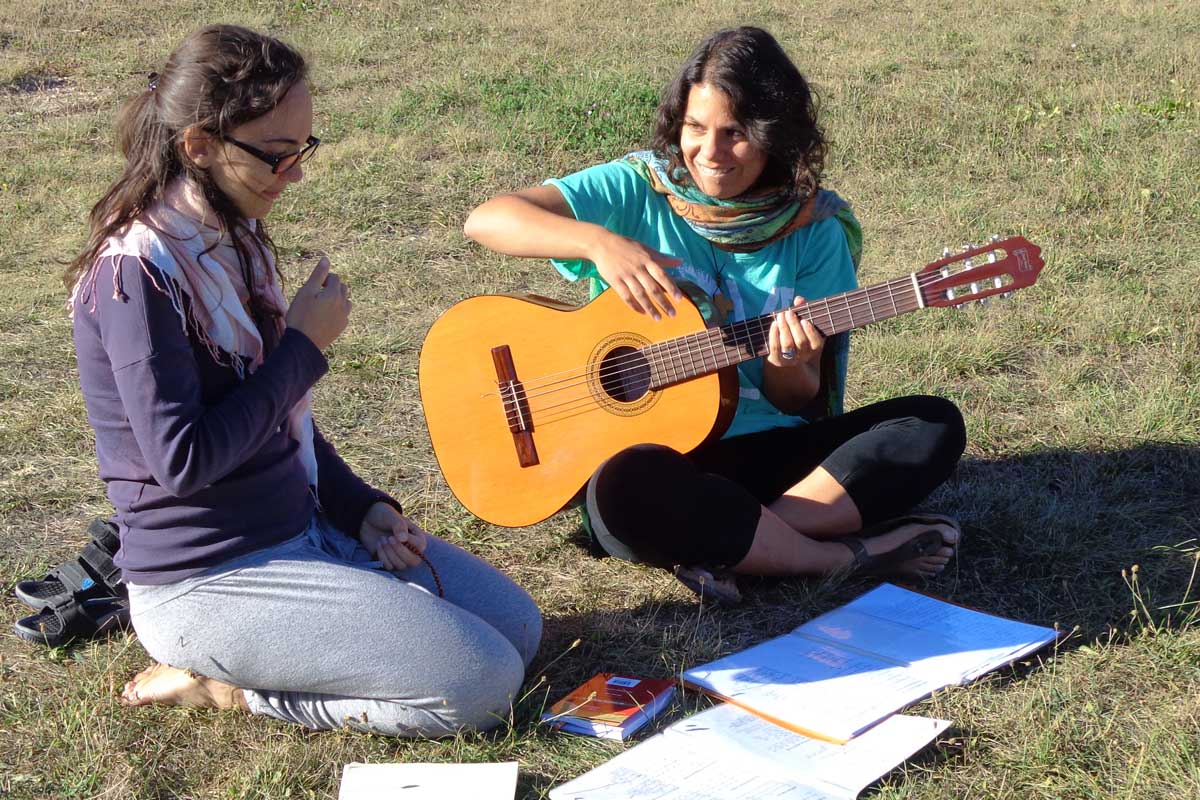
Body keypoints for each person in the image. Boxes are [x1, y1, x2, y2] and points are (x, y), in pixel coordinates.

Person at [66, 24, 541, 735]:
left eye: (302, 150)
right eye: (278, 156)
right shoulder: (137, 276)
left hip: (303, 529)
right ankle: (230, 688)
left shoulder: (230, 236)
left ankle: (314, 604)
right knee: (482, 686)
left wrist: (357, 507)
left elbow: (281, 415)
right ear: (199, 146)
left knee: (520, 629)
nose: (295, 175)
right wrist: (302, 347)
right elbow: (183, 461)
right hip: (207, 580)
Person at [463, 26, 967, 603]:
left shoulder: (814, 228)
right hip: (659, 460)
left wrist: (792, 362)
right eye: (696, 128)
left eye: (736, 135)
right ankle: (836, 555)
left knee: (931, 426)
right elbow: (488, 219)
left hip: (765, 453)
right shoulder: (638, 187)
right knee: (623, 491)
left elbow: (795, 400)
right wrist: (599, 243)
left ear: (775, 137)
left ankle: (743, 543)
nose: (710, 153)